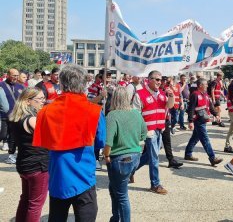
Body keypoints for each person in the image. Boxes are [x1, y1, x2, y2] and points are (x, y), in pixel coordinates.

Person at [32, 64, 106, 222]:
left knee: (57, 217)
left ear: (62, 84)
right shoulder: (94, 111)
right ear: (84, 84)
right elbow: (100, 142)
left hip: (58, 175)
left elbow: (42, 143)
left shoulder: (45, 111)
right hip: (84, 175)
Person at [103, 87, 147, 222]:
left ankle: (121, 219)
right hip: (135, 156)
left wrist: (105, 156)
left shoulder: (112, 115)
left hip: (120, 158)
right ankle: (115, 217)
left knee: (121, 195)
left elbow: (108, 141)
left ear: (114, 98)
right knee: (114, 188)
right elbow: (143, 133)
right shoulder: (136, 113)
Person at [132, 70, 175, 194]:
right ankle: (155, 184)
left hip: (159, 129)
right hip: (148, 130)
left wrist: (171, 96)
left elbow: (170, 106)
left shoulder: (162, 94)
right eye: (156, 79)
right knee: (154, 156)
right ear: (149, 79)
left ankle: (130, 171)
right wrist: (141, 130)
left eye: (160, 80)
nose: (159, 82)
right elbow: (135, 113)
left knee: (148, 156)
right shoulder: (140, 94)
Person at [9, 87, 48, 222]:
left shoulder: (16, 117)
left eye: (44, 98)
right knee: (35, 204)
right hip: (38, 165)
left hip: (24, 164)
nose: (43, 101)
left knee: (26, 199)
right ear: (27, 101)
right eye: (40, 99)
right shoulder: (32, 119)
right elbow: (49, 138)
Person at [184, 78, 223, 166]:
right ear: (200, 85)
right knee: (205, 139)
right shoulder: (195, 94)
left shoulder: (205, 94)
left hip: (203, 119)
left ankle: (188, 154)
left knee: (195, 138)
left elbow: (210, 106)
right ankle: (212, 158)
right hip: (198, 120)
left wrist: (216, 115)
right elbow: (191, 109)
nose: (207, 86)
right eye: (205, 84)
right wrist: (190, 121)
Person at [0, 69, 25, 163]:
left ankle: (11, 155)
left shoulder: (21, 87)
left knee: (13, 136)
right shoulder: (1, 85)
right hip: (4, 116)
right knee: (2, 135)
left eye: (17, 75)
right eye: (13, 75)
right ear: (8, 75)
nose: (15, 77)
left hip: (16, 116)